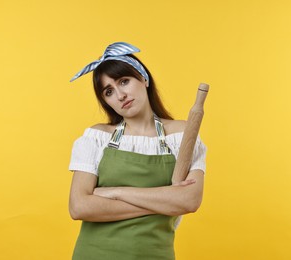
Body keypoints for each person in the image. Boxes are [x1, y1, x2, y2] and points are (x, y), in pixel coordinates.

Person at [68, 42, 207, 260]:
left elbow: (189, 201)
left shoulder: (182, 136)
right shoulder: (97, 137)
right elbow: (79, 207)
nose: (120, 95)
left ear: (144, 78)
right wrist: (164, 202)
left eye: (124, 81)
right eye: (109, 91)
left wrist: (115, 192)